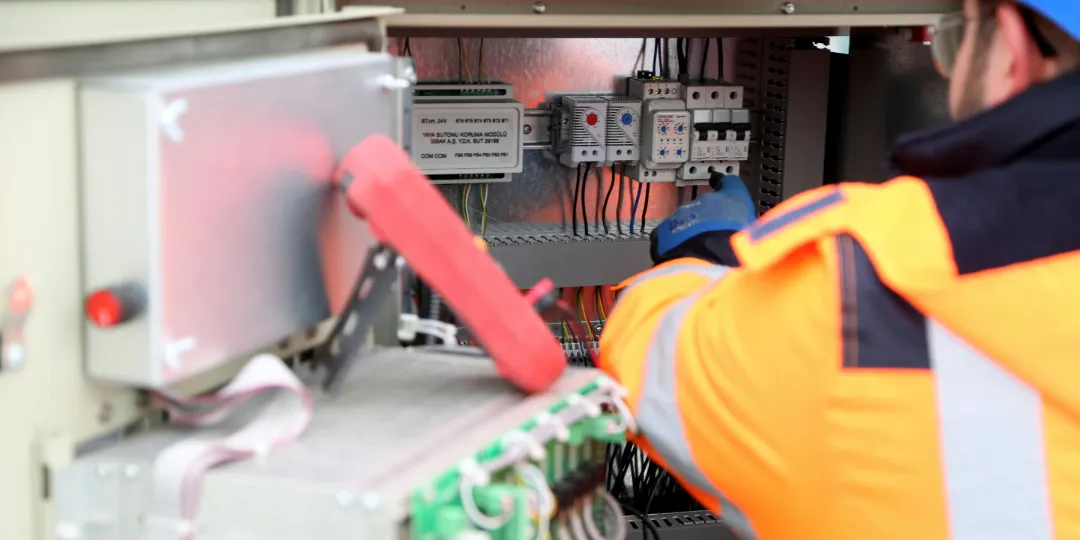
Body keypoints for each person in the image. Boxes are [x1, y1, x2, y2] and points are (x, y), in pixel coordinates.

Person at [597, 1, 1080, 539]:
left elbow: (649, 357)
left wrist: (709, 255)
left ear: (1013, 49)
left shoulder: (871, 280)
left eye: (952, 42)